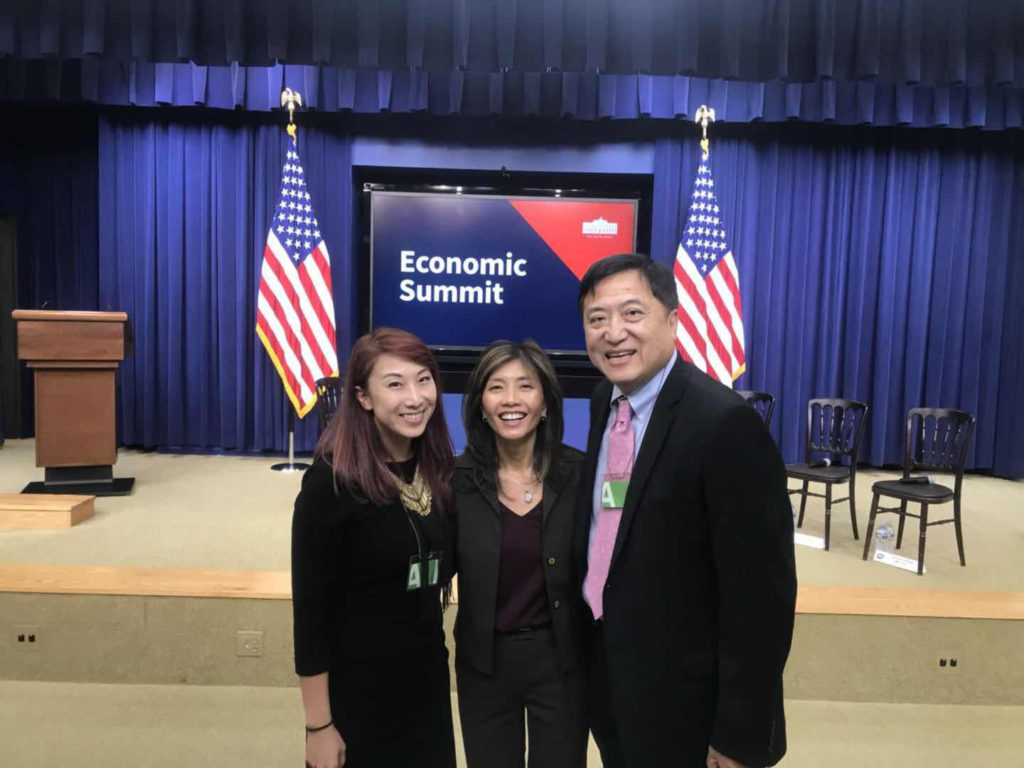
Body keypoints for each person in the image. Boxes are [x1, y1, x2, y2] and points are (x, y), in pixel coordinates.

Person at [575, 254, 797, 768]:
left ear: (673, 320)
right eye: (596, 318)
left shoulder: (725, 424)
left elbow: (762, 596)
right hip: (611, 676)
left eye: (632, 313)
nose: (613, 333)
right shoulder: (604, 399)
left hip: (688, 703)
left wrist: (739, 733)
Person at [291, 327, 457, 768]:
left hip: (426, 686)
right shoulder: (330, 483)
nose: (415, 398)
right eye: (395, 384)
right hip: (358, 693)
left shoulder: (440, 470)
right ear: (363, 397)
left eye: (424, 380)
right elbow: (311, 615)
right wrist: (318, 726)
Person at [453, 340, 588, 768]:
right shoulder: (454, 481)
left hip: (562, 661)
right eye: (496, 387)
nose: (511, 399)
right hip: (485, 663)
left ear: (545, 403)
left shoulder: (582, 474)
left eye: (525, 386)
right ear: (481, 405)